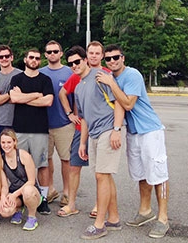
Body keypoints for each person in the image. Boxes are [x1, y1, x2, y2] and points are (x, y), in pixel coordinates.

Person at [96, 44, 170, 239]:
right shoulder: (111, 77)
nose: (112, 61)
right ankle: (145, 211)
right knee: (141, 174)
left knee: (158, 173)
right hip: (133, 132)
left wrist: (111, 83)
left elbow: (128, 104)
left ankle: (163, 218)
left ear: (123, 58)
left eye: (116, 57)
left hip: (149, 130)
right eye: (108, 59)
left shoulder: (132, 75)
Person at [65, 46, 125, 240]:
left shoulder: (101, 77)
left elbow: (118, 104)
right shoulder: (79, 86)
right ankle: (113, 219)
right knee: (104, 177)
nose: (74, 65)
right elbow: (84, 118)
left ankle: (99, 225)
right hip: (93, 135)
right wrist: (83, 143)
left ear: (85, 60)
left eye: (77, 61)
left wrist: (116, 130)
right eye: (71, 63)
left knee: (101, 176)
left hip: (109, 130)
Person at [58, 41, 105, 218]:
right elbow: (62, 93)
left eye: (96, 53)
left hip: (101, 129)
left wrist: (116, 128)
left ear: (101, 55)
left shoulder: (105, 75)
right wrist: (70, 113)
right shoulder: (76, 76)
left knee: (100, 171)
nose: (93, 56)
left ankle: (99, 205)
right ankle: (71, 204)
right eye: (90, 52)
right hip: (80, 128)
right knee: (74, 166)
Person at [9, 48, 54, 215]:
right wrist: (36, 95)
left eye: (37, 58)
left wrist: (24, 98)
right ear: (25, 59)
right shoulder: (16, 78)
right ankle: (20, 198)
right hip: (19, 130)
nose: (34, 60)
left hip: (39, 130)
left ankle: (43, 199)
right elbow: (14, 98)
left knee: (42, 165)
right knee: (18, 166)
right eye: (31, 57)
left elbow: (48, 101)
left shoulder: (45, 80)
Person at [39, 40, 73, 207]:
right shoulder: (39, 73)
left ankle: (67, 193)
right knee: (46, 160)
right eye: (49, 51)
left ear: (61, 53)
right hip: (43, 125)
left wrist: (73, 115)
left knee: (66, 160)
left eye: (55, 51)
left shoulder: (69, 72)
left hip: (64, 124)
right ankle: (50, 189)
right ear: (45, 54)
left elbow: (76, 97)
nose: (52, 54)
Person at [0, 129, 42, 231]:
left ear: (15, 142)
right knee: (4, 211)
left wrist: (14, 195)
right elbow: (4, 185)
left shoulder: (23, 155)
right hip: (15, 191)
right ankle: (18, 208)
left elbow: (31, 181)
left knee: (28, 192)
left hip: (31, 190)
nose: (6, 145)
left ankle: (32, 217)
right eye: (3, 142)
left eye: (9, 142)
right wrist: (3, 197)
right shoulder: (1, 159)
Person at [0, 45, 22, 145]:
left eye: (7, 56)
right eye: (1, 57)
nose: (4, 59)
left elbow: (21, 99)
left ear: (12, 57)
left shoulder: (21, 75)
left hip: (16, 122)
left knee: (16, 155)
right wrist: (10, 94)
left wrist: (0, 97)